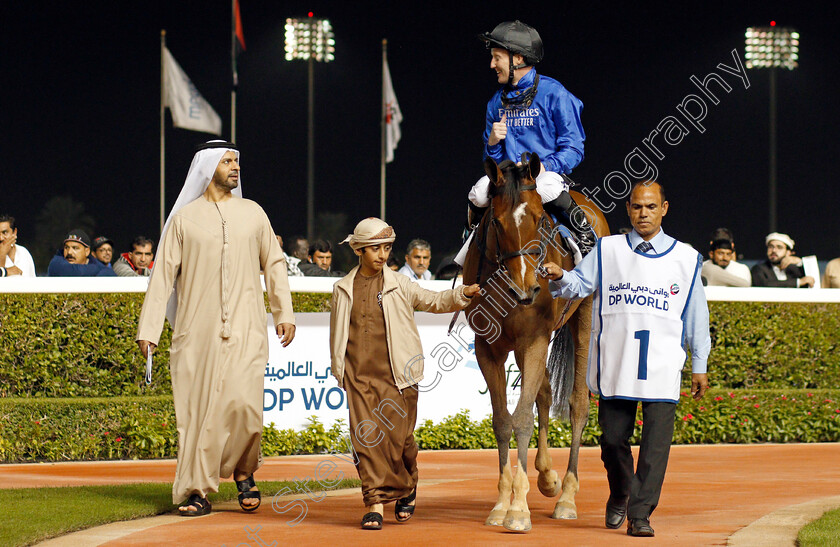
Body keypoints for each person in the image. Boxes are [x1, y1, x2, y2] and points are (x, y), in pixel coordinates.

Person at [541, 181, 710, 537]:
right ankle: (620, 492)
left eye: (650, 207)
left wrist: (700, 364)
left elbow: (696, 316)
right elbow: (579, 284)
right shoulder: (607, 250)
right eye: (636, 207)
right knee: (612, 441)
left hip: (662, 366)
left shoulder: (686, 258)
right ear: (628, 210)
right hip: (616, 365)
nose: (643, 213)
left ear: (664, 208)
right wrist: (560, 277)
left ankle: (640, 513)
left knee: (654, 448)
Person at [136, 141, 296, 517]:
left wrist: (283, 313)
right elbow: (162, 279)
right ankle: (197, 491)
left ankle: (243, 469)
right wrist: (150, 329)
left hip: (246, 328)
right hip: (196, 332)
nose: (235, 168)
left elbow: (274, 264)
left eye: (237, 161)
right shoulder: (184, 219)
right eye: (227, 161)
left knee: (245, 407)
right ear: (208, 168)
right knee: (197, 415)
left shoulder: (253, 213)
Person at [329, 217, 480, 530]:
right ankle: (374, 503)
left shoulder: (401, 284)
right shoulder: (341, 288)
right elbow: (337, 334)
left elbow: (433, 300)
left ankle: (408, 484)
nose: (382, 254)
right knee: (366, 443)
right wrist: (339, 369)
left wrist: (461, 294)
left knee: (400, 441)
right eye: (374, 248)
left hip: (400, 376)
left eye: (386, 248)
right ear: (358, 249)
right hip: (359, 378)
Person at [466, 20, 595, 256]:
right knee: (477, 192)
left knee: (547, 189)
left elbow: (574, 148)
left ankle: (585, 236)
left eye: (497, 57)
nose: (492, 64)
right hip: (507, 180)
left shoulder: (555, 93)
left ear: (517, 58)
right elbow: (490, 162)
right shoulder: (495, 102)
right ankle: (470, 245)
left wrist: (545, 166)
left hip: (543, 175)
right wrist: (493, 143)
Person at [47, 229, 116, 277]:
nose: (69, 252)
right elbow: (73, 272)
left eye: (75, 248)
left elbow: (110, 275)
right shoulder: (56, 262)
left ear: (87, 251)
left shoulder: (99, 266)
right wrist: (98, 269)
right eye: (66, 247)